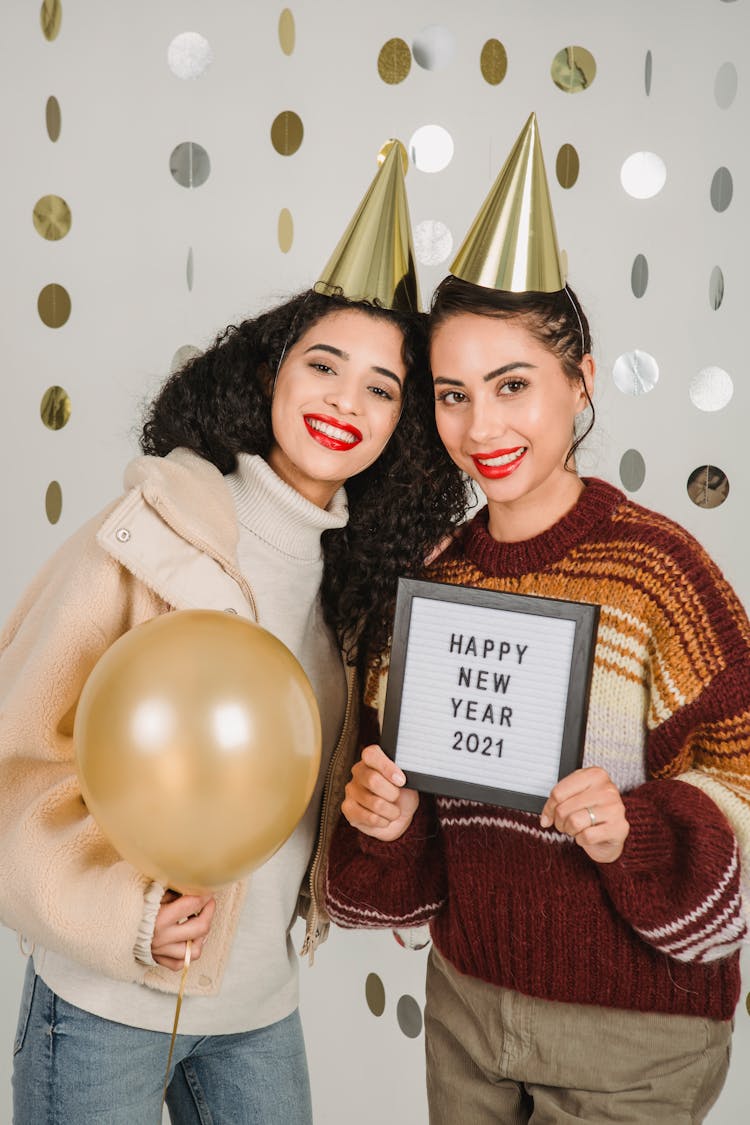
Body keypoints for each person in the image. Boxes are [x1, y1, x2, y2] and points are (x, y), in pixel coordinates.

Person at [0, 142, 467, 1124]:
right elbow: (16, 757)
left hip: (260, 1007)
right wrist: (127, 920)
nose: (346, 400)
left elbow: (309, 790)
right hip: (104, 1005)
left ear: (402, 425)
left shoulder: (365, 593)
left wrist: (377, 817)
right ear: (269, 372)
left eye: (382, 388)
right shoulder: (144, 534)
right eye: (324, 364)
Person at [326, 115, 750, 1123]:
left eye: (513, 386)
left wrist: (635, 830)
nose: (483, 429)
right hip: (469, 1016)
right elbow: (419, 841)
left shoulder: (658, 571)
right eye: (452, 396)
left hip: (635, 1036)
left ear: (581, 382)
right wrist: (386, 822)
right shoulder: (428, 583)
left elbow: (743, 768)